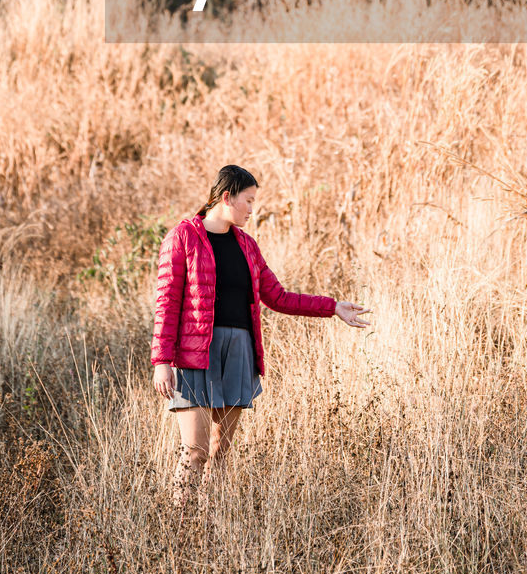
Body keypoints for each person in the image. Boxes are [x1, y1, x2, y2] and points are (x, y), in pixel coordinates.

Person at [151, 164, 370, 507]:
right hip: (196, 355)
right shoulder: (183, 237)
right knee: (195, 451)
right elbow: (167, 301)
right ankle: (179, 527)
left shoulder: (247, 247)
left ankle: (211, 528)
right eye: (248, 201)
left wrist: (332, 307)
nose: (253, 209)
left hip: (238, 353)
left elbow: (278, 297)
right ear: (227, 197)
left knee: (221, 452)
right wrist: (162, 361)